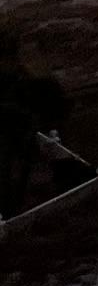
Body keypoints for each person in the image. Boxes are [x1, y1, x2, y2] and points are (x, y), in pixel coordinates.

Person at [0, 30, 73, 216]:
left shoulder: (31, 83)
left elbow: (55, 108)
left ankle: (11, 206)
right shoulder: (27, 80)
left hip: (18, 130)